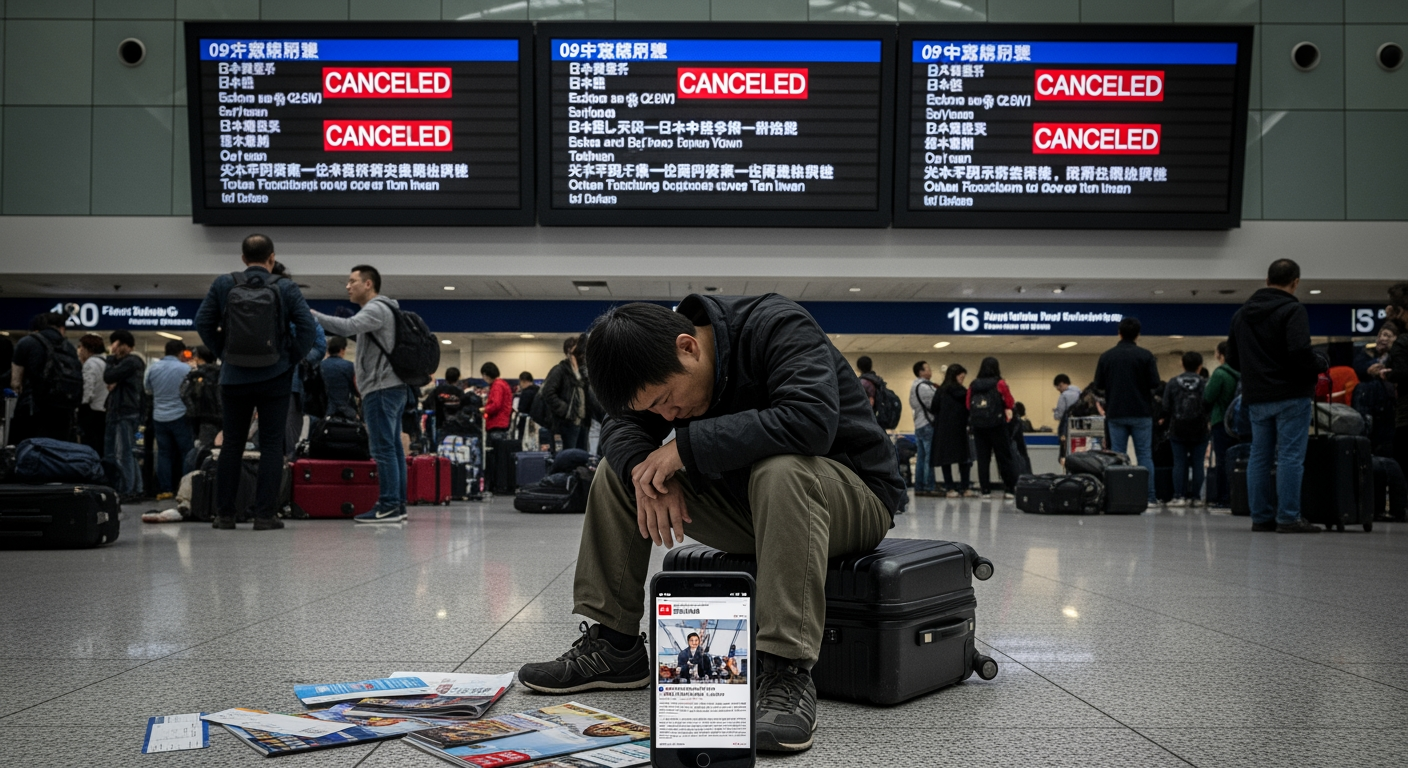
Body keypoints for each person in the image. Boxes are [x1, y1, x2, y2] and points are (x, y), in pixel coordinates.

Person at [516, 297, 902, 754]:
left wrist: (682, 450)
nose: (665, 416)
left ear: (688, 347)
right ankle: (615, 646)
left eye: (665, 401)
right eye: (653, 411)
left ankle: (785, 671)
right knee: (622, 474)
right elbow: (621, 428)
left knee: (782, 470)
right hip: (752, 505)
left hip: (849, 495)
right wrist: (647, 466)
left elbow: (810, 422)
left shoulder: (777, 327)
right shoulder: (655, 366)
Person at [195, 234, 317, 531]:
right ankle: (265, 515)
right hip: (275, 377)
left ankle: (225, 515)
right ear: (271, 258)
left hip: (234, 377)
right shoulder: (285, 287)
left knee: (232, 444)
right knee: (272, 444)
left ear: (242, 258)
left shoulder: (224, 284)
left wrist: (224, 352)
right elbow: (307, 328)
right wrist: (288, 359)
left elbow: (202, 321)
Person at [1226, 258, 1328, 533]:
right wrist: (1320, 363)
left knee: (1259, 455)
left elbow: (1233, 358)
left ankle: (1260, 517)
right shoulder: (1292, 309)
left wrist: (1257, 373)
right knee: (1290, 456)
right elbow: (1298, 353)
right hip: (1291, 394)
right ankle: (1288, 517)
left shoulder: (1242, 314)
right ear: (1295, 282)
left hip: (1257, 396)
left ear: (1267, 279)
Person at [308, 264, 408, 524]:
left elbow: (347, 327)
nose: (347, 286)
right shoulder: (384, 310)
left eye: (353, 281)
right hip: (392, 386)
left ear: (368, 284)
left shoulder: (376, 308)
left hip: (381, 388)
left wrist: (312, 315)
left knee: (384, 449)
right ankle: (397, 504)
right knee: (394, 447)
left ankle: (388, 506)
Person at [1094, 317, 1161, 504]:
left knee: (1117, 456)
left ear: (1119, 333)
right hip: (1141, 412)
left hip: (1116, 412)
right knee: (1144, 455)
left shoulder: (1107, 356)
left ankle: (1118, 497)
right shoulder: (1146, 356)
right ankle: (1149, 497)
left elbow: (1098, 385)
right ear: (1138, 335)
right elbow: (1155, 383)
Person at [275, 264, 327, 460]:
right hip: (283, 382)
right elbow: (320, 347)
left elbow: (320, 346)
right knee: (285, 430)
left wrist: (297, 360)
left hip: (280, 381)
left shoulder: (303, 317)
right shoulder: (300, 315)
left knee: (283, 430)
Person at [8, 312, 79, 444]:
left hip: (33, 409)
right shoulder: (69, 347)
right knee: (57, 452)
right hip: (63, 410)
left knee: (29, 449)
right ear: (61, 328)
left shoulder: (27, 342)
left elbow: (16, 382)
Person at [146, 339, 196, 501]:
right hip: (180, 415)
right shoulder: (185, 369)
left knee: (164, 454)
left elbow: (148, 390)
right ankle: (185, 489)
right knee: (186, 453)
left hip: (159, 416)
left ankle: (165, 489)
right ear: (181, 352)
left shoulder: (153, 368)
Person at [966, 357, 1020, 498]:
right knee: (1003, 457)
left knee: (983, 459)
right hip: (997, 425)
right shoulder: (1000, 383)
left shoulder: (973, 384)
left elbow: (968, 405)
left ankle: (985, 490)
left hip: (979, 426)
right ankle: (1009, 489)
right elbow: (1009, 402)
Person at [1162, 351, 1210, 508]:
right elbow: (1208, 404)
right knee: (1198, 463)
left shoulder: (1173, 382)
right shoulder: (1204, 383)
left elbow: (1166, 406)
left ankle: (1178, 497)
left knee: (1179, 463)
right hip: (1200, 430)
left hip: (1178, 429)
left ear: (1182, 364)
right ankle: (1196, 498)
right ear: (1200, 366)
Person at [103, 330, 146, 501]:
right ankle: (136, 488)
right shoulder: (131, 363)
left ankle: (129, 489)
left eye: (114, 343)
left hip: (125, 413)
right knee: (131, 452)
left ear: (122, 345)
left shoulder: (131, 362)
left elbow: (108, 377)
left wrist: (110, 361)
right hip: (130, 412)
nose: (112, 347)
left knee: (125, 452)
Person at [1203, 342, 1241, 508]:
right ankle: (1239, 496)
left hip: (1222, 421)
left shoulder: (1220, 373)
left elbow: (1208, 397)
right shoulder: (1242, 372)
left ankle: (1223, 498)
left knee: (1222, 460)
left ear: (1221, 354)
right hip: (1241, 422)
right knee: (1238, 459)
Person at [932, 363, 972, 497]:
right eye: (961, 377)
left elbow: (934, 408)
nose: (962, 380)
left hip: (943, 429)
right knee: (964, 460)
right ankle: (965, 487)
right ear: (956, 376)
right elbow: (968, 409)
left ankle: (950, 488)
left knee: (946, 460)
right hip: (960, 429)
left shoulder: (940, 391)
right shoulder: (963, 393)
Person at [541, 335, 588, 451]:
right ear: (569, 353)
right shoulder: (560, 370)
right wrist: (566, 410)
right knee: (567, 458)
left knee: (580, 458)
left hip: (581, 422)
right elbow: (548, 392)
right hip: (566, 424)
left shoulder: (581, 373)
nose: (582, 355)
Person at [1382, 285, 1408, 481]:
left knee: (1402, 466)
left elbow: (1401, 372)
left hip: (1406, 414)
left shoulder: (1402, 343)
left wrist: (1387, 374)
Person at [909, 361, 938, 496]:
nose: (930, 371)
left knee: (921, 457)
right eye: (928, 369)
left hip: (918, 425)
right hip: (928, 424)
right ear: (921, 372)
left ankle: (919, 485)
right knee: (928, 457)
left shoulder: (913, 387)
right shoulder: (926, 388)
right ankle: (929, 485)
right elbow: (935, 404)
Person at [76, 333, 108, 454]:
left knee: (89, 445)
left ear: (87, 348)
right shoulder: (106, 362)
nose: (80, 351)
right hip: (104, 410)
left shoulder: (90, 364)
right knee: (100, 446)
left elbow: (87, 390)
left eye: (81, 347)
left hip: (91, 411)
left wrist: (80, 405)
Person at [422, 367, 465, 444]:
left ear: (445, 377)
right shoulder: (460, 393)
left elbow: (426, 404)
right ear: (458, 378)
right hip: (458, 427)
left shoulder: (437, 390)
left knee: (440, 447)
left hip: (440, 425)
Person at [321, 335, 358, 420]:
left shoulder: (319, 366)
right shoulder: (349, 366)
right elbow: (356, 390)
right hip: (346, 411)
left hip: (323, 411)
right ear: (342, 350)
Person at [1052, 373, 1080, 458]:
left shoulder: (1064, 395)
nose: (1058, 389)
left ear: (1063, 384)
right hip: (1079, 428)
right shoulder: (1080, 392)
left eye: (1059, 386)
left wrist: (1055, 412)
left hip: (1067, 429)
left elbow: (1059, 415)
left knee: (1065, 455)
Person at [481, 362, 512, 437]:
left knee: (496, 446)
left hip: (497, 423)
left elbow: (496, 405)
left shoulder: (497, 385)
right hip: (501, 422)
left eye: (483, 376)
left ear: (486, 375)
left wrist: (484, 409)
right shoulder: (502, 383)